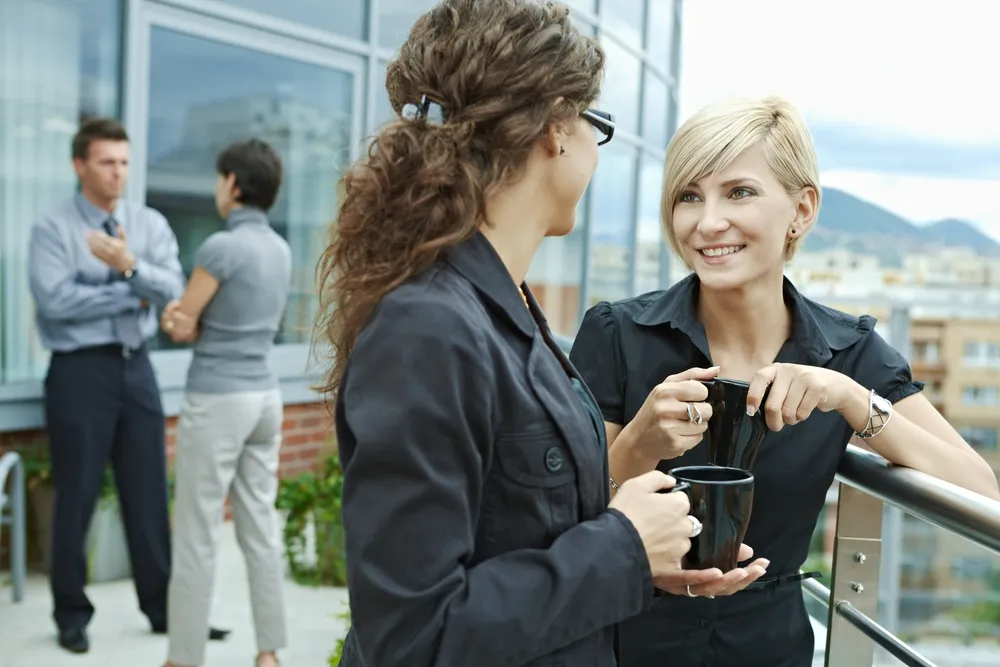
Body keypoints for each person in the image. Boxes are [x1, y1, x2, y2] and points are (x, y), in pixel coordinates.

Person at [311, 2, 755, 666]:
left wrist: (643, 552)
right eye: (595, 124)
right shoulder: (428, 328)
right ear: (555, 128)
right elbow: (412, 637)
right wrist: (624, 547)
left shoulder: (500, 301)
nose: (595, 150)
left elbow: (513, 535)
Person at [569, 95, 1000, 667]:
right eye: (689, 196)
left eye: (739, 192)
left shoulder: (849, 353)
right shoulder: (618, 333)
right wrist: (639, 444)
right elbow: (561, 514)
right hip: (619, 648)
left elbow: (980, 491)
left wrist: (851, 399)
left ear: (802, 209)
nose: (708, 222)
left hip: (772, 651)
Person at [27, 117, 224, 654]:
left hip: (137, 368)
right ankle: (71, 614)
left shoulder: (148, 223)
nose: (118, 173)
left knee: (148, 492)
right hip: (79, 371)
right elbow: (55, 301)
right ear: (80, 165)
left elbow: (174, 288)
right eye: (106, 162)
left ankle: (162, 609)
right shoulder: (53, 228)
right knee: (76, 494)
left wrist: (127, 266)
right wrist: (132, 290)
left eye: (124, 162)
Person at [160, 139, 292, 667]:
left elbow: (183, 323)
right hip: (265, 396)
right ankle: (269, 653)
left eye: (220, 178)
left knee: (197, 532)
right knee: (260, 527)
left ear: (233, 183)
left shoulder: (220, 247)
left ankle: (182, 658)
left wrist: (172, 316)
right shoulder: (280, 249)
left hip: (218, 398)